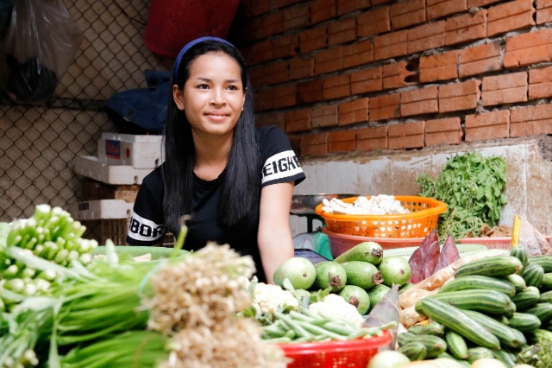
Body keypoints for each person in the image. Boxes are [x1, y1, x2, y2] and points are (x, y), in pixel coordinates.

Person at [126, 36, 306, 283]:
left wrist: (283, 306)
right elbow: (135, 264)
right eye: (204, 86)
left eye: (231, 87)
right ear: (179, 97)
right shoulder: (158, 186)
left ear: (243, 98)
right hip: (200, 310)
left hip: (260, 308)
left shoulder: (270, 147)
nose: (219, 99)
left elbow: (273, 234)